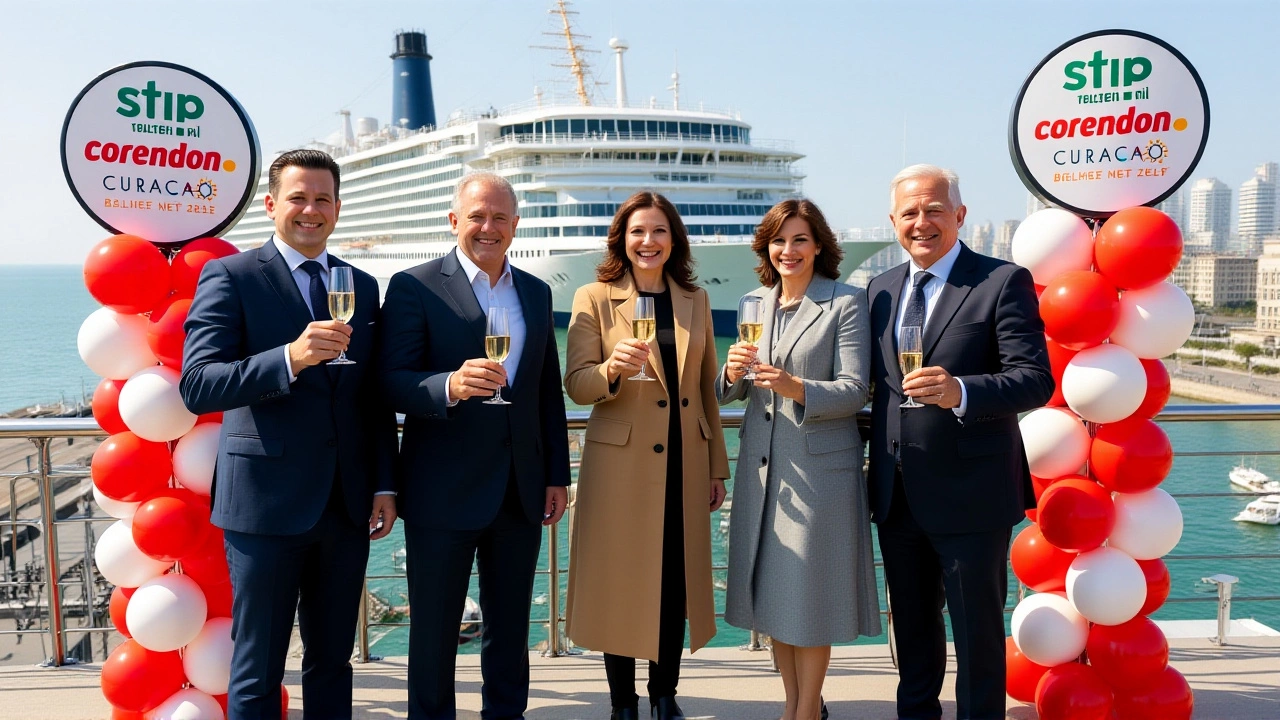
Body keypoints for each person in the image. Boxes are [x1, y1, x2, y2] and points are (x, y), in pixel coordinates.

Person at [180, 148, 398, 719]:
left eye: (323, 199)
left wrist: (384, 483)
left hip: (345, 504)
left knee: (333, 661)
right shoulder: (230, 275)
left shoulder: (361, 284)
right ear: (271, 205)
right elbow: (198, 385)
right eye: (298, 198)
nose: (311, 210)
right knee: (258, 665)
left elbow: (370, 396)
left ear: (338, 208)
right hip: (264, 506)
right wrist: (289, 359)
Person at [378, 172, 571, 720]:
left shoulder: (535, 290)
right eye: (478, 216)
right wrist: (449, 385)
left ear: (515, 225)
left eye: (500, 217)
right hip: (442, 490)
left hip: (520, 487)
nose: (489, 227)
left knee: (509, 631)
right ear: (454, 221)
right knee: (434, 632)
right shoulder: (413, 286)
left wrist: (557, 474)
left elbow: (545, 392)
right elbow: (390, 381)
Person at [867, 164, 1053, 720]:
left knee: (976, 637)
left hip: (973, 495)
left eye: (934, 210)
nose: (921, 222)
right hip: (897, 494)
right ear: (893, 222)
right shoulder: (880, 290)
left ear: (960, 215)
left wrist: (961, 391)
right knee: (912, 634)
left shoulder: (1001, 280)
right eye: (909, 213)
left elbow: (1035, 379)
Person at [563, 191, 730, 720]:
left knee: (674, 583)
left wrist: (717, 467)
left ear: (674, 239)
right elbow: (577, 386)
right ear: (622, 239)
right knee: (620, 582)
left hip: (685, 461)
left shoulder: (695, 299)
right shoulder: (593, 297)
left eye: (659, 230)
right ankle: (622, 703)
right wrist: (611, 368)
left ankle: (664, 694)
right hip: (619, 466)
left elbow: (705, 388)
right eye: (638, 231)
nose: (648, 241)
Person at [719, 199, 881, 720]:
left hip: (819, 475)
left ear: (818, 247)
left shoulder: (845, 302)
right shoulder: (753, 303)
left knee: (808, 601)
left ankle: (807, 710)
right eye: (778, 240)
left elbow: (855, 389)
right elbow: (735, 391)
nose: (788, 250)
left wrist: (796, 387)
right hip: (762, 474)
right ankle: (792, 706)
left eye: (799, 240)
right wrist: (730, 373)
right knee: (778, 601)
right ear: (766, 247)